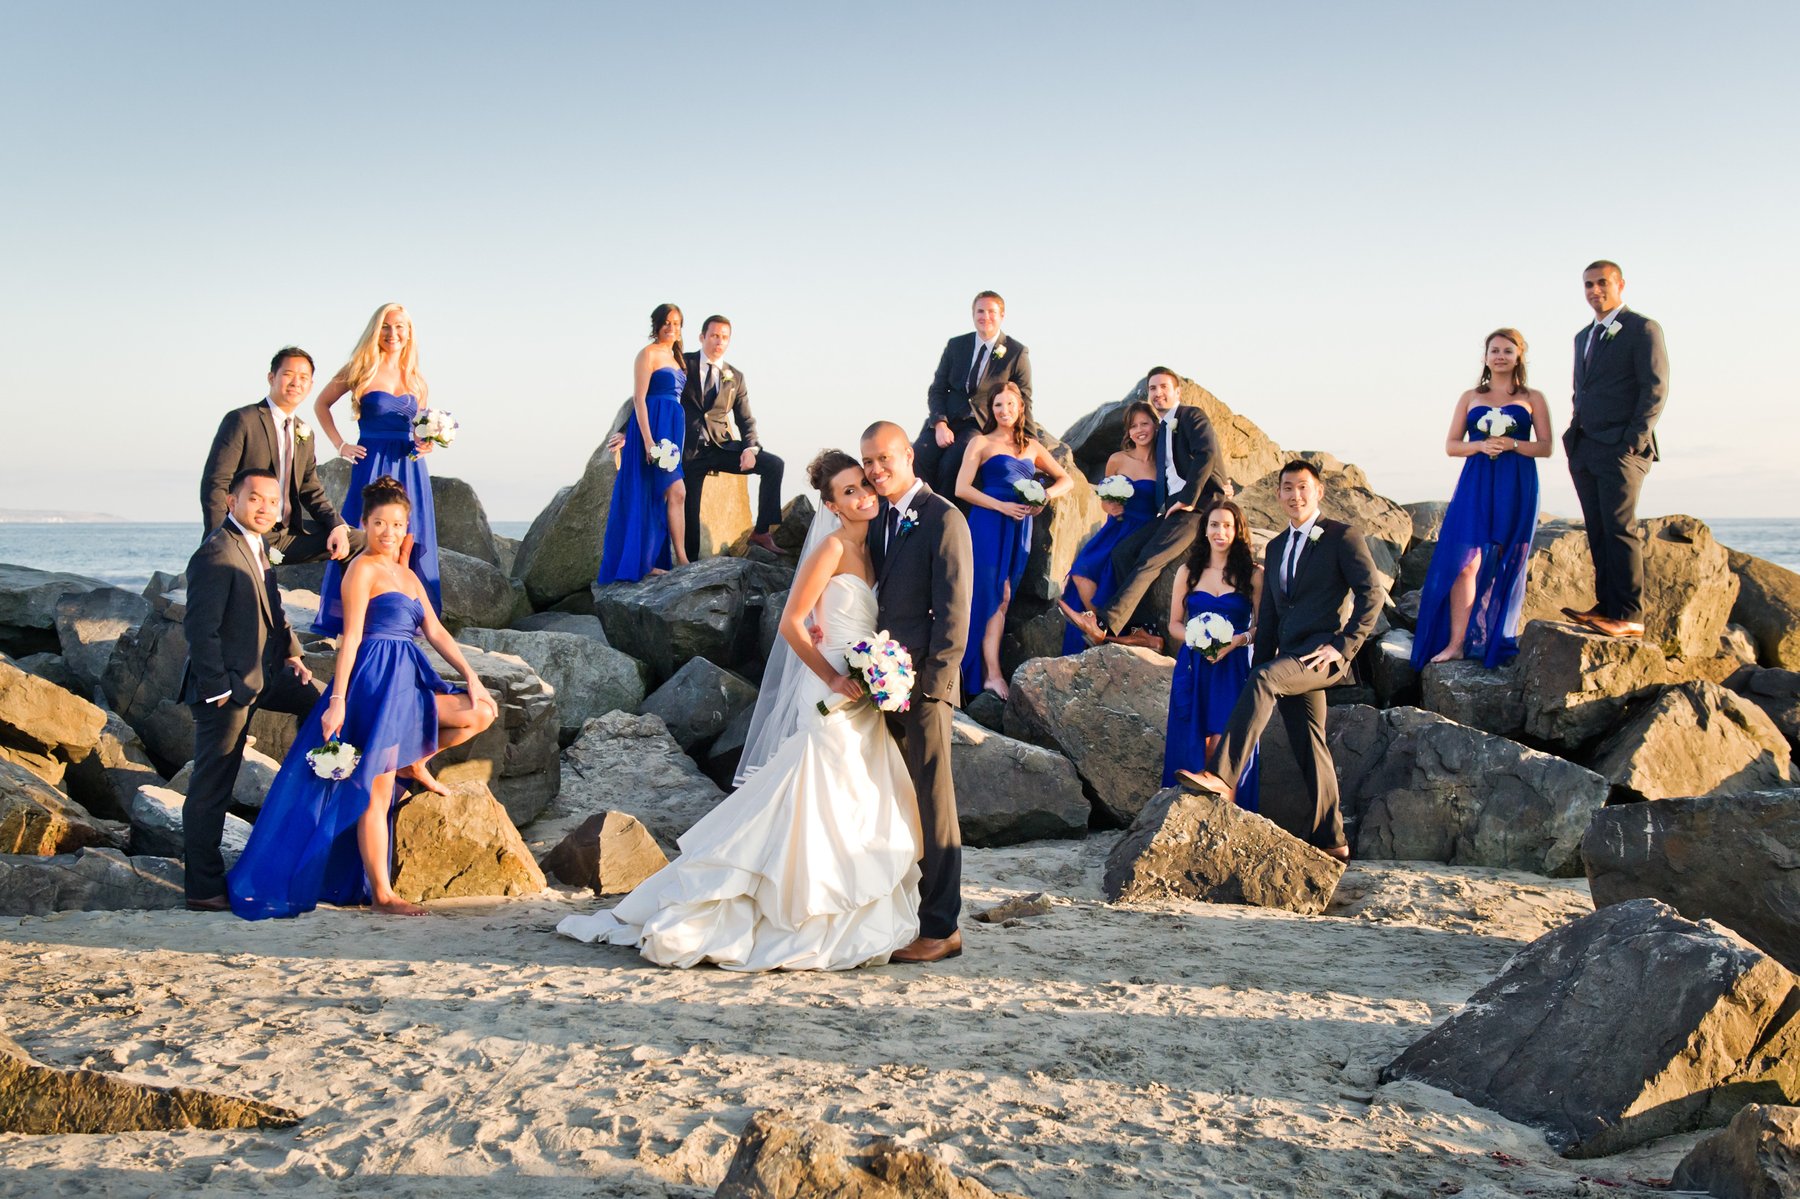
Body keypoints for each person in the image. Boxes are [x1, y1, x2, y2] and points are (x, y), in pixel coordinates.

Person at [556, 451, 923, 969]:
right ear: (832, 506)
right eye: (848, 491)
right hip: (830, 688)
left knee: (855, 797)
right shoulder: (832, 547)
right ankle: (787, 908)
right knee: (820, 791)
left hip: (863, 689)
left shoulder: (875, 548)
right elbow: (792, 623)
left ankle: (843, 907)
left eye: (863, 484)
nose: (863, 495)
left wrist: (879, 668)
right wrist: (834, 676)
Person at [228, 477, 496, 920]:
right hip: (375, 679)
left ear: (407, 527)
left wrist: (472, 676)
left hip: (409, 677)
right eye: (379, 523)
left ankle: (415, 760)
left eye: (396, 524)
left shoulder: (408, 575)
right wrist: (337, 699)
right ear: (365, 524)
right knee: (377, 789)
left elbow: (435, 631)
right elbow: (350, 638)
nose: (388, 532)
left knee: (480, 711)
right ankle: (382, 895)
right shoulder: (362, 569)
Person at [1176, 461, 1384, 859]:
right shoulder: (1275, 547)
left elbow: (1371, 595)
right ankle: (1334, 841)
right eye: (1288, 488)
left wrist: (1343, 646)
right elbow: (1269, 616)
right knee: (1310, 745)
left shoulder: (1342, 537)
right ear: (1278, 495)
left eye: (1303, 487)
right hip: (1287, 658)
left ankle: (1221, 775)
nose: (1295, 495)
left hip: (1321, 655)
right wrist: (1257, 666)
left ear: (1319, 492)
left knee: (1267, 682)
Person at [177, 469, 324, 911]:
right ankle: (203, 889)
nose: (265, 507)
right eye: (255, 498)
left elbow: (273, 608)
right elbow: (199, 628)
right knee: (212, 787)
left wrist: (293, 652)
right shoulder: (216, 552)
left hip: (265, 674)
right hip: (226, 687)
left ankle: (303, 802)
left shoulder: (258, 545)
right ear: (231, 502)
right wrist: (218, 688)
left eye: (273, 501)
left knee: (321, 703)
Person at [864, 420, 973, 963]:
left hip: (925, 688)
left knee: (935, 805)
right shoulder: (878, 519)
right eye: (868, 462)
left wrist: (932, 687)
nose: (875, 470)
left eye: (883, 458)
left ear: (908, 454)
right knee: (897, 800)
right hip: (882, 685)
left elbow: (955, 611)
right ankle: (904, 912)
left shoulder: (944, 518)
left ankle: (941, 927)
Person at [1411, 329, 1550, 668]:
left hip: (1516, 482)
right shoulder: (1470, 396)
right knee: (1465, 563)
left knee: (1506, 559)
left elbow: (1545, 447)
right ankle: (1457, 643)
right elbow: (1451, 445)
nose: (1500, 356)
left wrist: (1513, 444)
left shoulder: (1533, 397)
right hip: (1476, 481)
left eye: (1507, 350)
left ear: (1519, 356)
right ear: (1485, 357)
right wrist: (1480, 445)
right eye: (1494, 350)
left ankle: (1493, 640)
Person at [1065, 366, 1227, 650]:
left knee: (1150, 559)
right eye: (1153, 388)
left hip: (1196, 509)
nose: (1158, 393)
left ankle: (1103, 623)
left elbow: (1208, 453)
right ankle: (1144, 631)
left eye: (1164, 387)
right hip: (1171, 512)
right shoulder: (1161, 433)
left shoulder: (1191, 416)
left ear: (1177, 391)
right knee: (1122, 553)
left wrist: (1198, 494)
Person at [312, 303, 441, 633]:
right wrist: (340, 444)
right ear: (375, 329)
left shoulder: (417, 380)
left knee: (408, 536)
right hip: (371, 462)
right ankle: (356, 614)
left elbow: (420, 429)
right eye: (385, 326)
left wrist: (425, 443)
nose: (392, 333)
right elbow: (321, 404)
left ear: (409, 333)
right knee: (363, 533)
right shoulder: (360, 368)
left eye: (399, 327)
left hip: (409, 464)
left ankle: (400, 617)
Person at [1562, 260, 1669, 639]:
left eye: (1602, 283)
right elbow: (1583, 390)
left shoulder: (1642, 329)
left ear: (1620, 284)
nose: (1595, 290)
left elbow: (1655, 388)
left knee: (1620, 528)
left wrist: (1633, 441)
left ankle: (1629, 615)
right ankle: (1606, 606)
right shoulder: (1583, 336)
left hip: (1623, 448)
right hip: (1586, 446)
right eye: (1588, 284)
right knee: (1598, 529)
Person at [955, 382, 1071, 699]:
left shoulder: (1032, 446)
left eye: (1010, 404)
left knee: (1005, 597)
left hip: (1019, 527)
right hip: (988, 522)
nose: (1004, 410)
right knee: (989, 593)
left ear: (1021, 408)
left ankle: (984, 672)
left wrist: (1043, 496)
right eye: (998, 405)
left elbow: (1066, 480)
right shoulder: (980, 442)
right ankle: (987, 673)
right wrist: (1000, 506)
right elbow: (962, 488)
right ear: (991, 410)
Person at [199, 347, 362, 564]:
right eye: (288, 374)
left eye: (303, 377)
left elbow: (311, 490)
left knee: (359, 541)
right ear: (271, 377)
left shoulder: (305, 432)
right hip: (245, 531)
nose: (296, 382)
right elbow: (215, 483)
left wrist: (337, 525)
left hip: (285, 535)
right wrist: (220, 538)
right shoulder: (242, 420)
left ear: (311, 385)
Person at [1162, 498, 1262, 812]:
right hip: (1194, 666)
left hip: (1233, 667)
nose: (1220, 532)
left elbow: (1262, 627)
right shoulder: (1188, 572)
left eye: (1228, 526)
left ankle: (1226, 820)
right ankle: (1191, 818)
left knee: (1225, 745)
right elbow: (1174, 625)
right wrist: (1198, 638)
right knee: (1196, 742)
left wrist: (1239, 640)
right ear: (1204, 529)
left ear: (1238, 531)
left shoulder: (1253, 575)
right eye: (1214, 524)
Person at [1058, 400, 1160, 655]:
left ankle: (1109, 630)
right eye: (1133, 426)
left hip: (1142, 529)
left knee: (1111, 572)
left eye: (1144, 424)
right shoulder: (1117, 459)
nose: (1139, 430)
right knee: (1081, 571)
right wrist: (1110, 506)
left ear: (1155, 426)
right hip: (1115, 526)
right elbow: (1104, 499)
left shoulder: (1163, 464)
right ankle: (1101, 627)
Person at [598, 303, 689, 584]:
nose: (671, 328)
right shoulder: (647, 354)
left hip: (672, 427)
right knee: (671, 491)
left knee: (667, 494)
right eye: (667, 322)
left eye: (676, 323)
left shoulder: (677, 357)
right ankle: (677, 560)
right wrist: (647, 441)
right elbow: (639, 398)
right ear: (657, 325)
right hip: (654, 428)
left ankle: (665, 560)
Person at [914, 291, 1033, 499]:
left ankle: (942, 513)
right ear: (973, 314)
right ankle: (916, 509)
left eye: (991, 312)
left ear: (1002, 315)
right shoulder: (956, 345)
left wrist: (1028, 440)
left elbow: (1024, 398)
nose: (985, 316)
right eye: (980, 311)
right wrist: (940, 423)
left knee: (952, 463)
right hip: (947, 419)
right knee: (919, 457)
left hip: (979, 424)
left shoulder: (1016, 352)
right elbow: (937, 389)